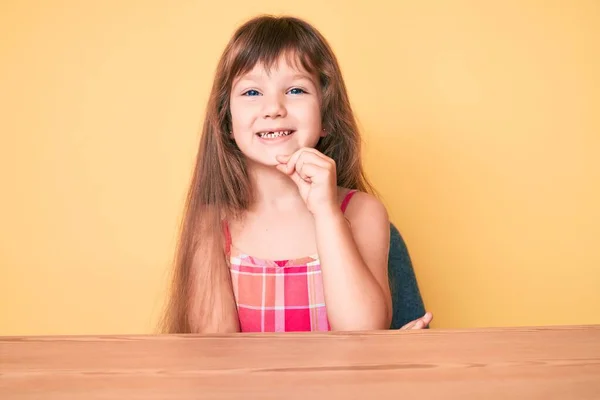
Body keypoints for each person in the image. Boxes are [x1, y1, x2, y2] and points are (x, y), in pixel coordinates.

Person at [161, 15, 432, 333]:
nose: (273, 107)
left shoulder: (361, 213)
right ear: (227, 123)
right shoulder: (210, 225)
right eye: (251, 93)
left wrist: (326, 212)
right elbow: (216, 350)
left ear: (327, 117)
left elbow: (363, 333)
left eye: (295, 90)